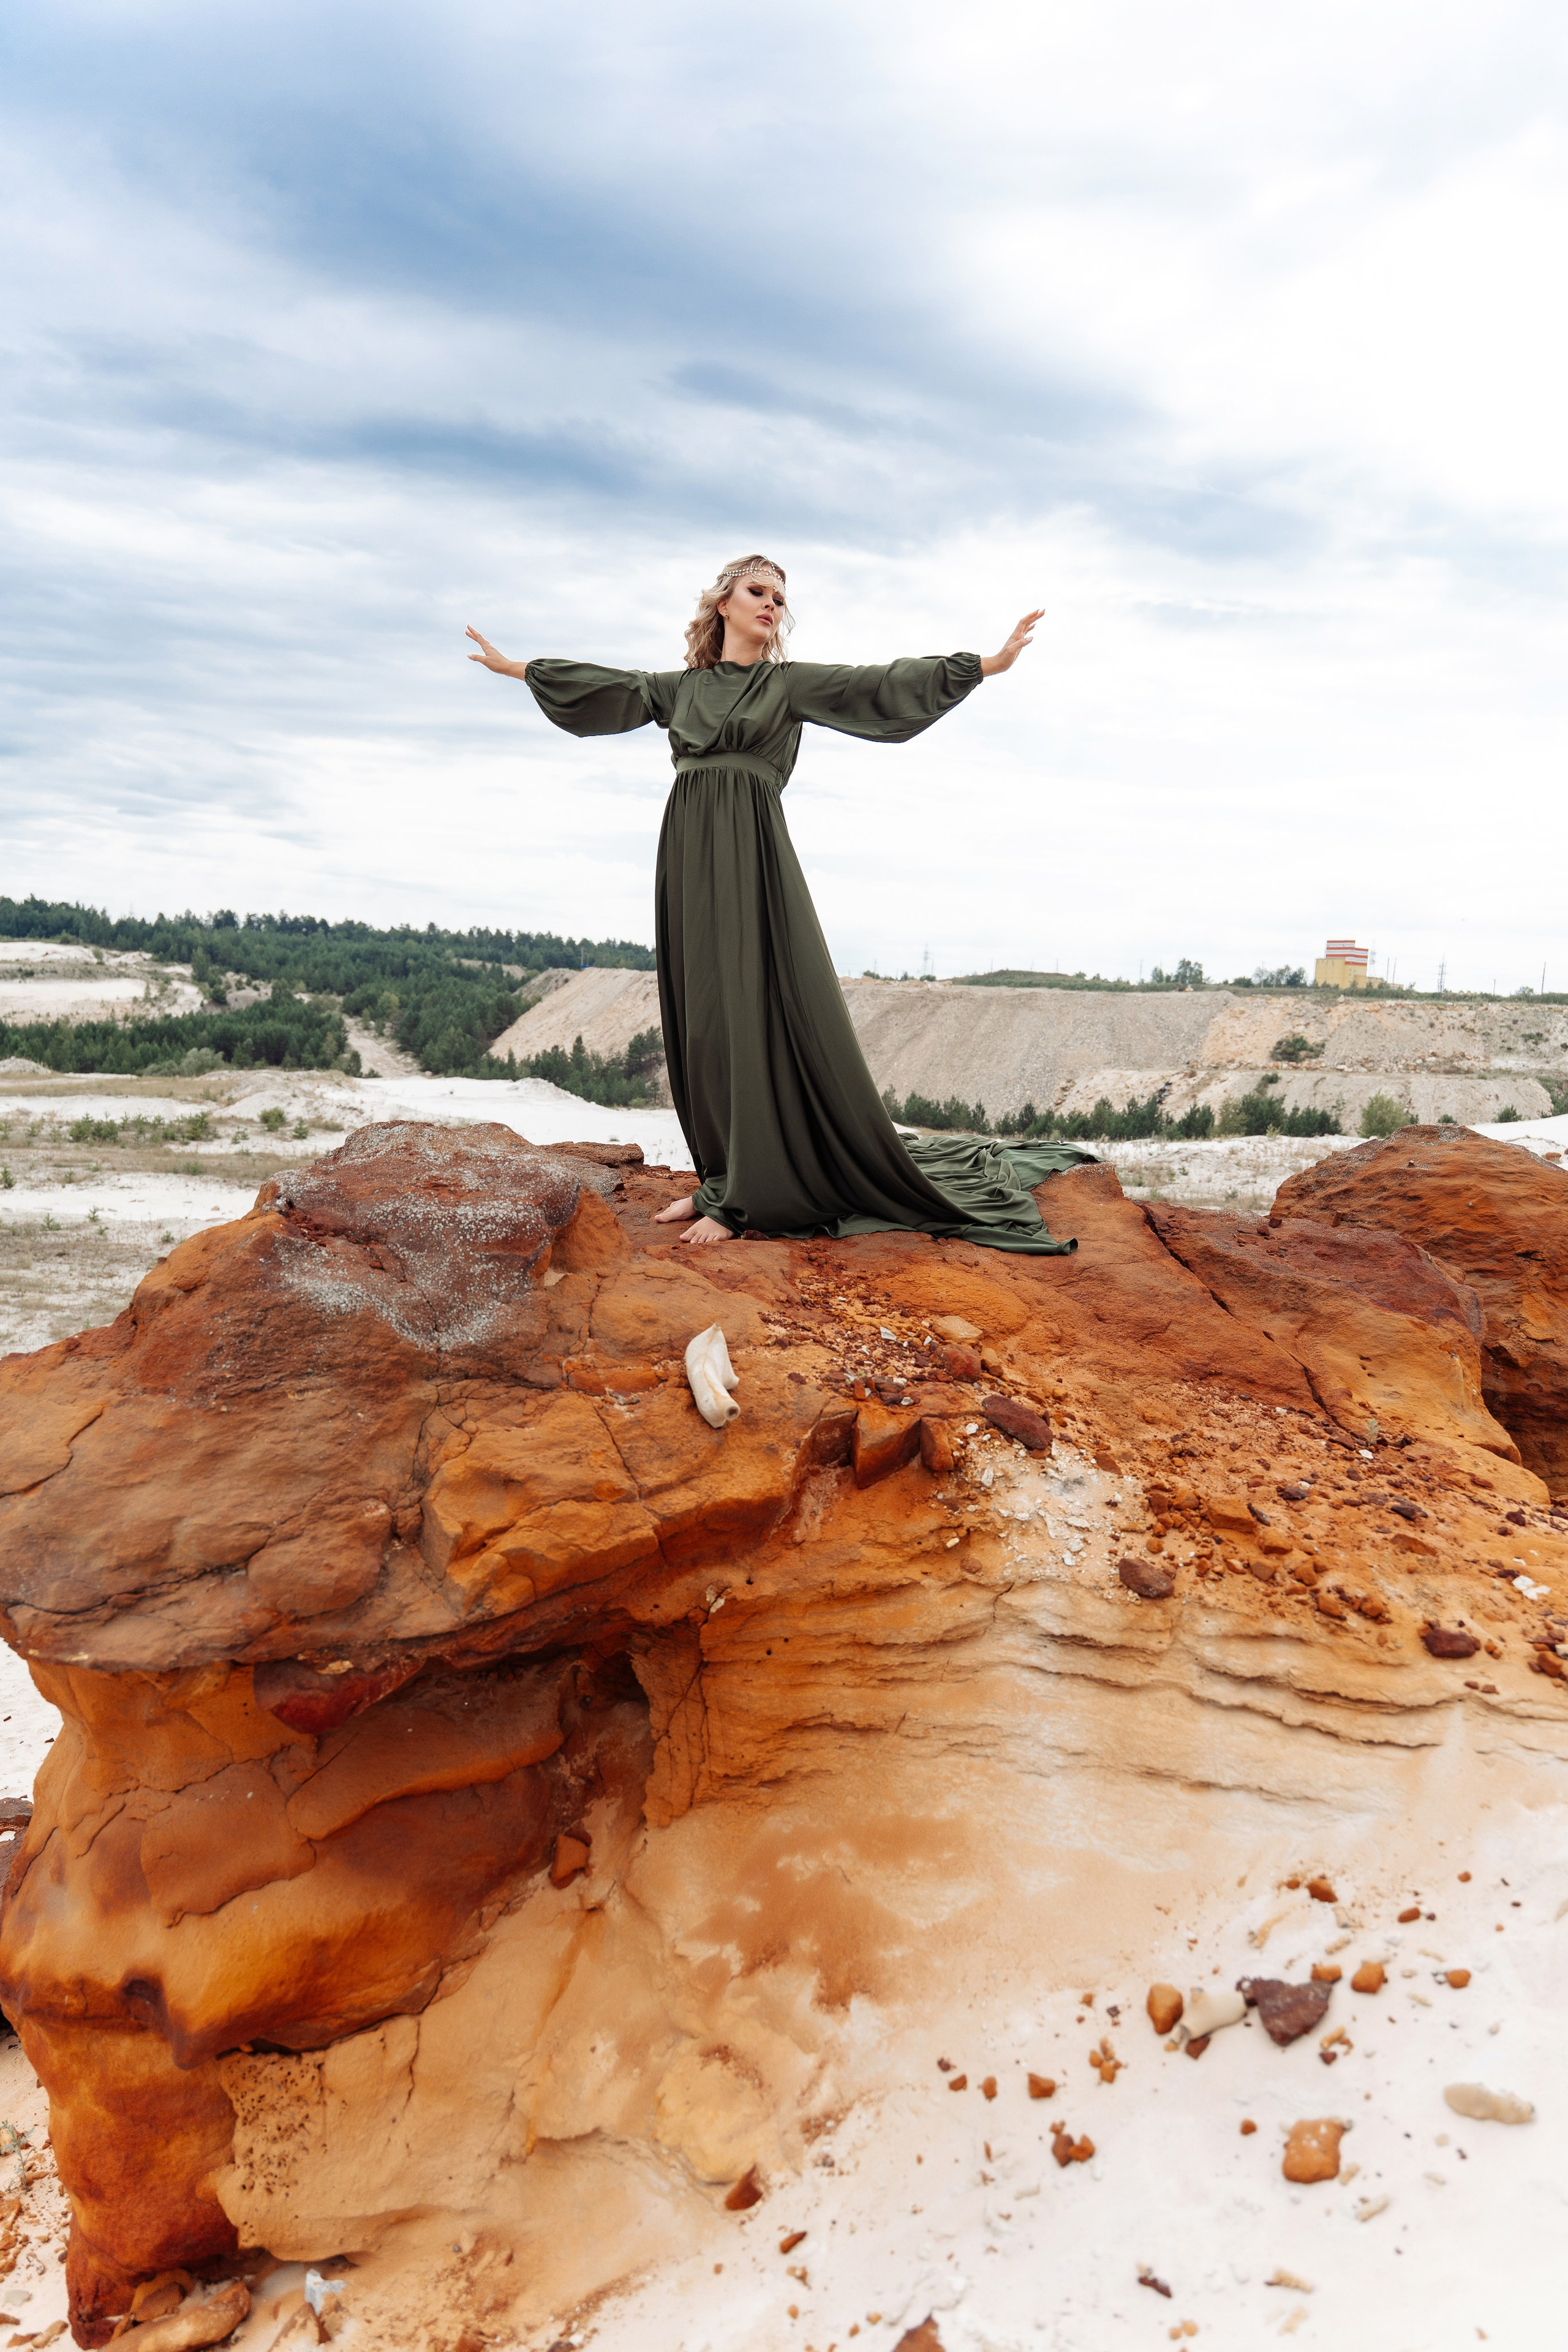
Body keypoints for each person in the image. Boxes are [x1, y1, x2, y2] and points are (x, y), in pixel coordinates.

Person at [467, 556, 1088, 1250]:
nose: (771, 604)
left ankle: (750, 1199)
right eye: (757, 592)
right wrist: (522, 669)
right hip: (688, 849)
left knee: (748, 1006)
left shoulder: (787, 684)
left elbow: (877, 684)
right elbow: (616, 688)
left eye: (779, 598)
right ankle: (720, 1179)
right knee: (703, 1014)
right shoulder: (682, 689)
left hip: (751, 852)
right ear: (723, 605)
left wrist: (984, 664)